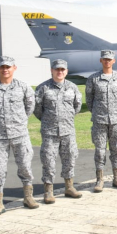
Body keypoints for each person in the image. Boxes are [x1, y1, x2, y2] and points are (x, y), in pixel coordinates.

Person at [0, 56, 38, 215]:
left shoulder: (23, 87)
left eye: (8, 67)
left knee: (25, 166)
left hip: (20, 135)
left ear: (14, 68)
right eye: (2, 67)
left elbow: (29, 107)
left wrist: (18, 121)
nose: (5, 69)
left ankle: (28, 197)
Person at [34, 59, 83, 204]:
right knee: (48, 160)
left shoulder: (72, 87)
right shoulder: (43, 88)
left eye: (62, 70)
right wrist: (48, 120)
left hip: (68, 130)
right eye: (57, 69)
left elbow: (77, 106)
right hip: (50, 131)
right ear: (52, 70)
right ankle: (48, 191)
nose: (60, 72)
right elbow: (37, 109)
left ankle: (69, 187)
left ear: (66, 71)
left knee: (70, 158)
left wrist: (66, 118)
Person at [85, 50, 117, 192]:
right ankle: (100, 179)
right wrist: (98, 112)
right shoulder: (93, 79)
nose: (107, 61)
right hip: (99, 120)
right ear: (101, 61)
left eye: (109, 59)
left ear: (114, 61)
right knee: (100, 151)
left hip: (115, 120)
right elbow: (89, 100)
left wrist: (113, 111)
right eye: (105, 59)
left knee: (116, 149)